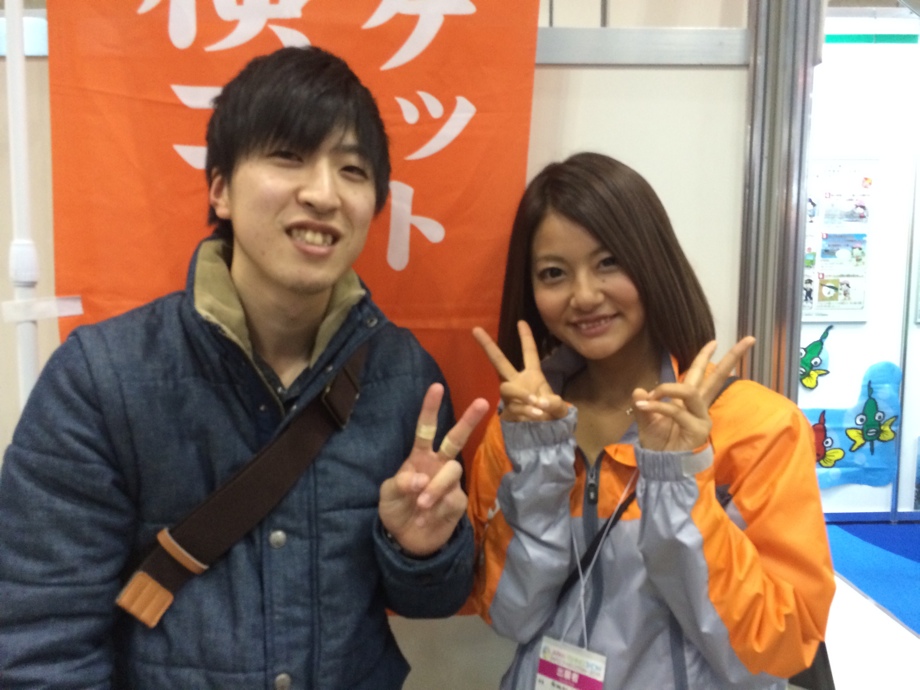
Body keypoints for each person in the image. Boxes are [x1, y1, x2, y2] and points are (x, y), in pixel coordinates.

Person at [0, 46, 489, 689]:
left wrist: (422, 549)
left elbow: (434, 600)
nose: (323, 194)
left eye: (351, 170)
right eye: (288, 157)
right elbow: (40, 644)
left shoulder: (405, 378)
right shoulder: (99, 380)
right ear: (221, 189)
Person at [467, 152, 834, 689]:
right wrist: (539, 466)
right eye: (554, 273)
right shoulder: (521, 432)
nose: (584, 295)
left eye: (609, 262)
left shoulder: (759, 427)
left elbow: (779, 647)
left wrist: (677, 480)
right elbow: (509, 616)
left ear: (652, 261)